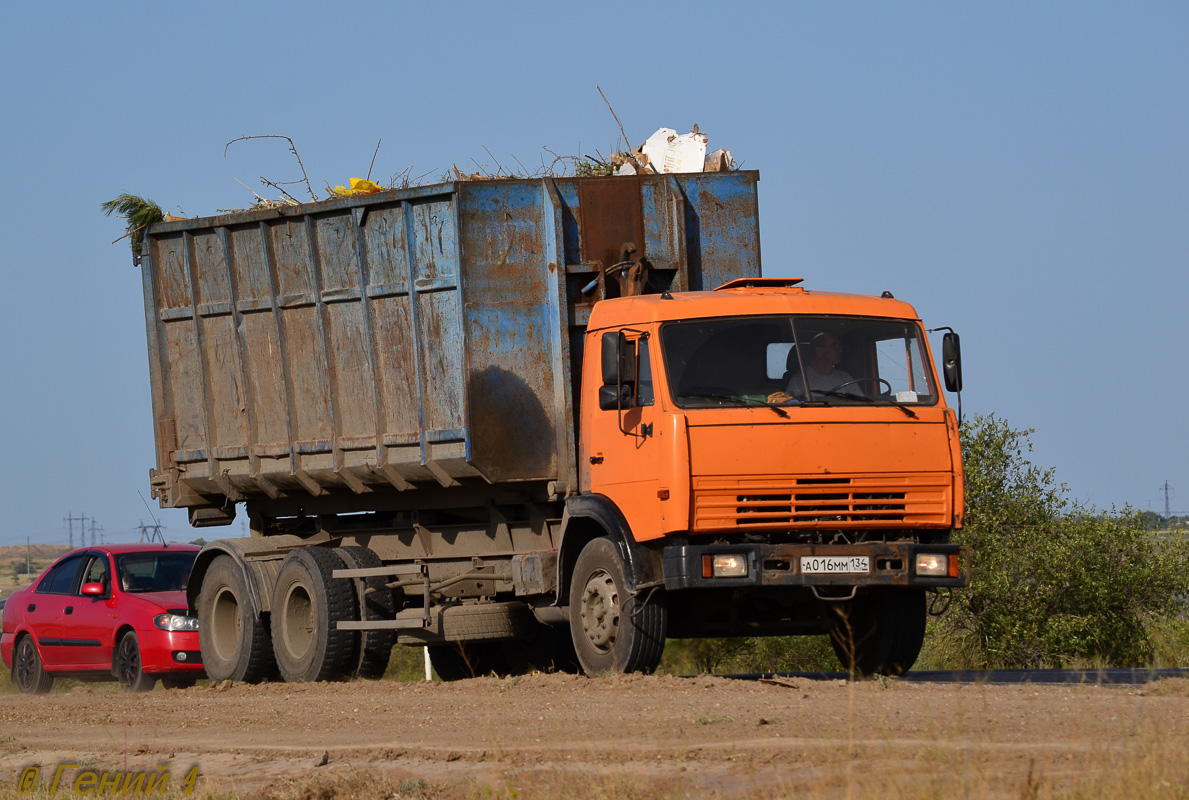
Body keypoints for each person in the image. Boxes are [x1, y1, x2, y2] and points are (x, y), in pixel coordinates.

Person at [768, 332, 856, 403]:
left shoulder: (845, 378)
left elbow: (861, 402)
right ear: (819, 351)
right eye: (835, 346)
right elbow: (791, 407)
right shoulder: (799, 380)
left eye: (840, 346)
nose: (840, 350)